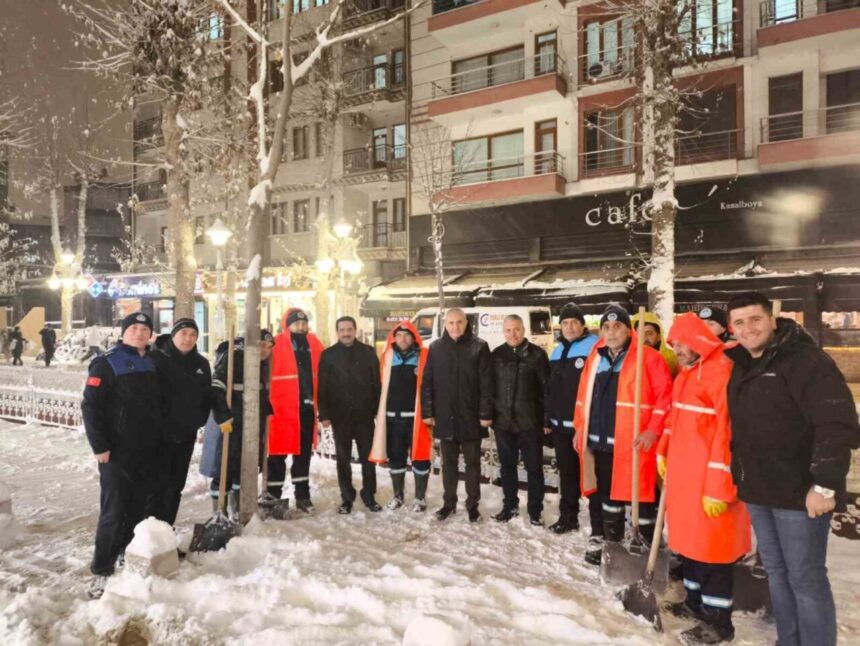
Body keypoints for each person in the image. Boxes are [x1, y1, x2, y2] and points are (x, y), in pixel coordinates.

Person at [725, 292, 859, 646]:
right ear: (731, 329)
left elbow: (836, 423)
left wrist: (825, 485)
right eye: (739, 322)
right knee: (778, 574)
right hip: (758, 491)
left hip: (800, 494)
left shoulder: (804, 360)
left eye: (755, 319)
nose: (748, 328)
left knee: (805, 577)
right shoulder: (741, 364)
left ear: (773, 319)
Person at [656, 313, 751, 645]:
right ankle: (695, 606)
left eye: (682, 343)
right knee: (690, 548)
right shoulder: (686, 374)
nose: (677, 349)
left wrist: (719, 488)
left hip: (710, 486)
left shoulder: (721, 372)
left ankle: (718, 623)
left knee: (713, 553)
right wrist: (663, 451)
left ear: (698, 340)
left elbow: (729, 436)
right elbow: (672, 418)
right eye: (673, 344)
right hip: (685, 482)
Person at [574, 304, 673, 565]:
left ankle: (649, 548)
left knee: (642, 498)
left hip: (635, 445)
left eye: (617, 326)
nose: (611, 332)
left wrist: (653, 430)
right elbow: (583, 399)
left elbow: (666, 399)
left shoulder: (649, 357)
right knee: (608, 498)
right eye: (606, 327)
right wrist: (579, 430)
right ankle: (613, 546)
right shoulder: (595, 359)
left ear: (629, 330)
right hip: (602, 444)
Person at [81, 312, 161, 598]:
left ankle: (126, 553)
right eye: (134, 328)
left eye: (145, 329)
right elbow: (91, 407)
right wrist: (100, 446)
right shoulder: (106, 362)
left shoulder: (150, 362)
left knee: (138, 508)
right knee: (113, 511)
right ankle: (101, 569)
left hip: (145, 450)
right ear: (124, 331)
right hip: (116, 452)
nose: (140, 333)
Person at [421, 308, 493, 523]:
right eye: (451, 323)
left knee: (472, 464)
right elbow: (428, 383)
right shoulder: (435, 348)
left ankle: (472, 505)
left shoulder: (479, 347)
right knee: (448, 464)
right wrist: (428, 412)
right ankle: (448, 504)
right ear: (445, 324)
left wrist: (485, 413)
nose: (455, 327)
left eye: (459, 322)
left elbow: (487, 384)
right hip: (445, 416)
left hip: (471, 417)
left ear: (466, 323)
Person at [202, 330, 274, 518]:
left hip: (250, 423)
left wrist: (267, 410)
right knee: (224, 467)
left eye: (269, 347)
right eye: (262, 345)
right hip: (231, 421)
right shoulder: (233, 357)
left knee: (242, 467)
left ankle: (237, 508)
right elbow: (216, 388)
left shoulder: (262, 363)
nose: (265, 350)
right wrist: (223, 416)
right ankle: (220, 512)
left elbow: (261, 391)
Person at [149, 318, 212, 526]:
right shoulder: (155, 358)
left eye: (193, 335)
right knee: (155, 486)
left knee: (175, 487)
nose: (188, 339)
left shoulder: (201, 364)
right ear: (173, 335)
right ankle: (147, 538)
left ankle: (165, 533)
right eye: (183, 334)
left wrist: (198, 420)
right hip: (159, 435)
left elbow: (206, 395)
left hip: (185, 435)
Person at [544, 302, 600, 534]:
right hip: (560, 427)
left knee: (592, 476)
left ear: (583, 325)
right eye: (565, 323)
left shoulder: (594, 347)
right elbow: (550, 389)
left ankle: (599, 525)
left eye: (573, 322)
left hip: (584, 428)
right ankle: (569, 517)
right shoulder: (557, 351)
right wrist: (547, 419)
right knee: (567, 474)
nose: (569, 327)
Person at [319, 316, 382, 514]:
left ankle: (369, 495)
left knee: (367, 458)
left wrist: (377, 411)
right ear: (337, 332)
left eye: (349, 329)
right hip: (340, 417)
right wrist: (324, 415)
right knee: (343, 459)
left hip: (364, 416)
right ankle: (347, 497)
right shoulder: (328, 355)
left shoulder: (368, 352)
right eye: (342, 330)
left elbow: (377, 384)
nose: (346, 333)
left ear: (355, 330)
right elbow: (322, 387)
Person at [490, 314, 549, 526]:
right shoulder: (496, 355)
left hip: (529, 423)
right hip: (503, 423)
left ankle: (535, 510)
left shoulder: (537, 355)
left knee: (533, 468)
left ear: (523, 330)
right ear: (503, 331)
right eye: (508, 330)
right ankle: (510, 506)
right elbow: (489, 389)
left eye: (516, 329)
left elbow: (546, 391)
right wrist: (489, 415)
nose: (512, 334)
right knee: (507, 468)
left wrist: (546, 421)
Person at [369, 321, 432, 512]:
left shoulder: (423, 357)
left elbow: (432, 386)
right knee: (395, 458)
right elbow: (378, 386)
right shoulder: (387, 357)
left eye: (407, 335)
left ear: (414, 337)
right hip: (392, 418)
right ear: (393, 338)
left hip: (416, 419)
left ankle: (420, 498)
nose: (403, 339)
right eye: (399, 335)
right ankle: (398, 496)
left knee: (420, 457)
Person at [268, 308, 323, 513]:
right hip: (281, 410)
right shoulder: (276, 343)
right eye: (296, 323)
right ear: (287, 325)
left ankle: (303, 495)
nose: (301, 327)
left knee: (303, 455)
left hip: (306, 408)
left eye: (303, 323)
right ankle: (272, 495)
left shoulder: (314, 344)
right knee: (277, 454)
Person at [631, 310, 678, 376]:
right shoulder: (628, 359)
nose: (644, 338)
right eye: (640, 334)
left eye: (649, 333)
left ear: (659, 336)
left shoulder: (672, 359)